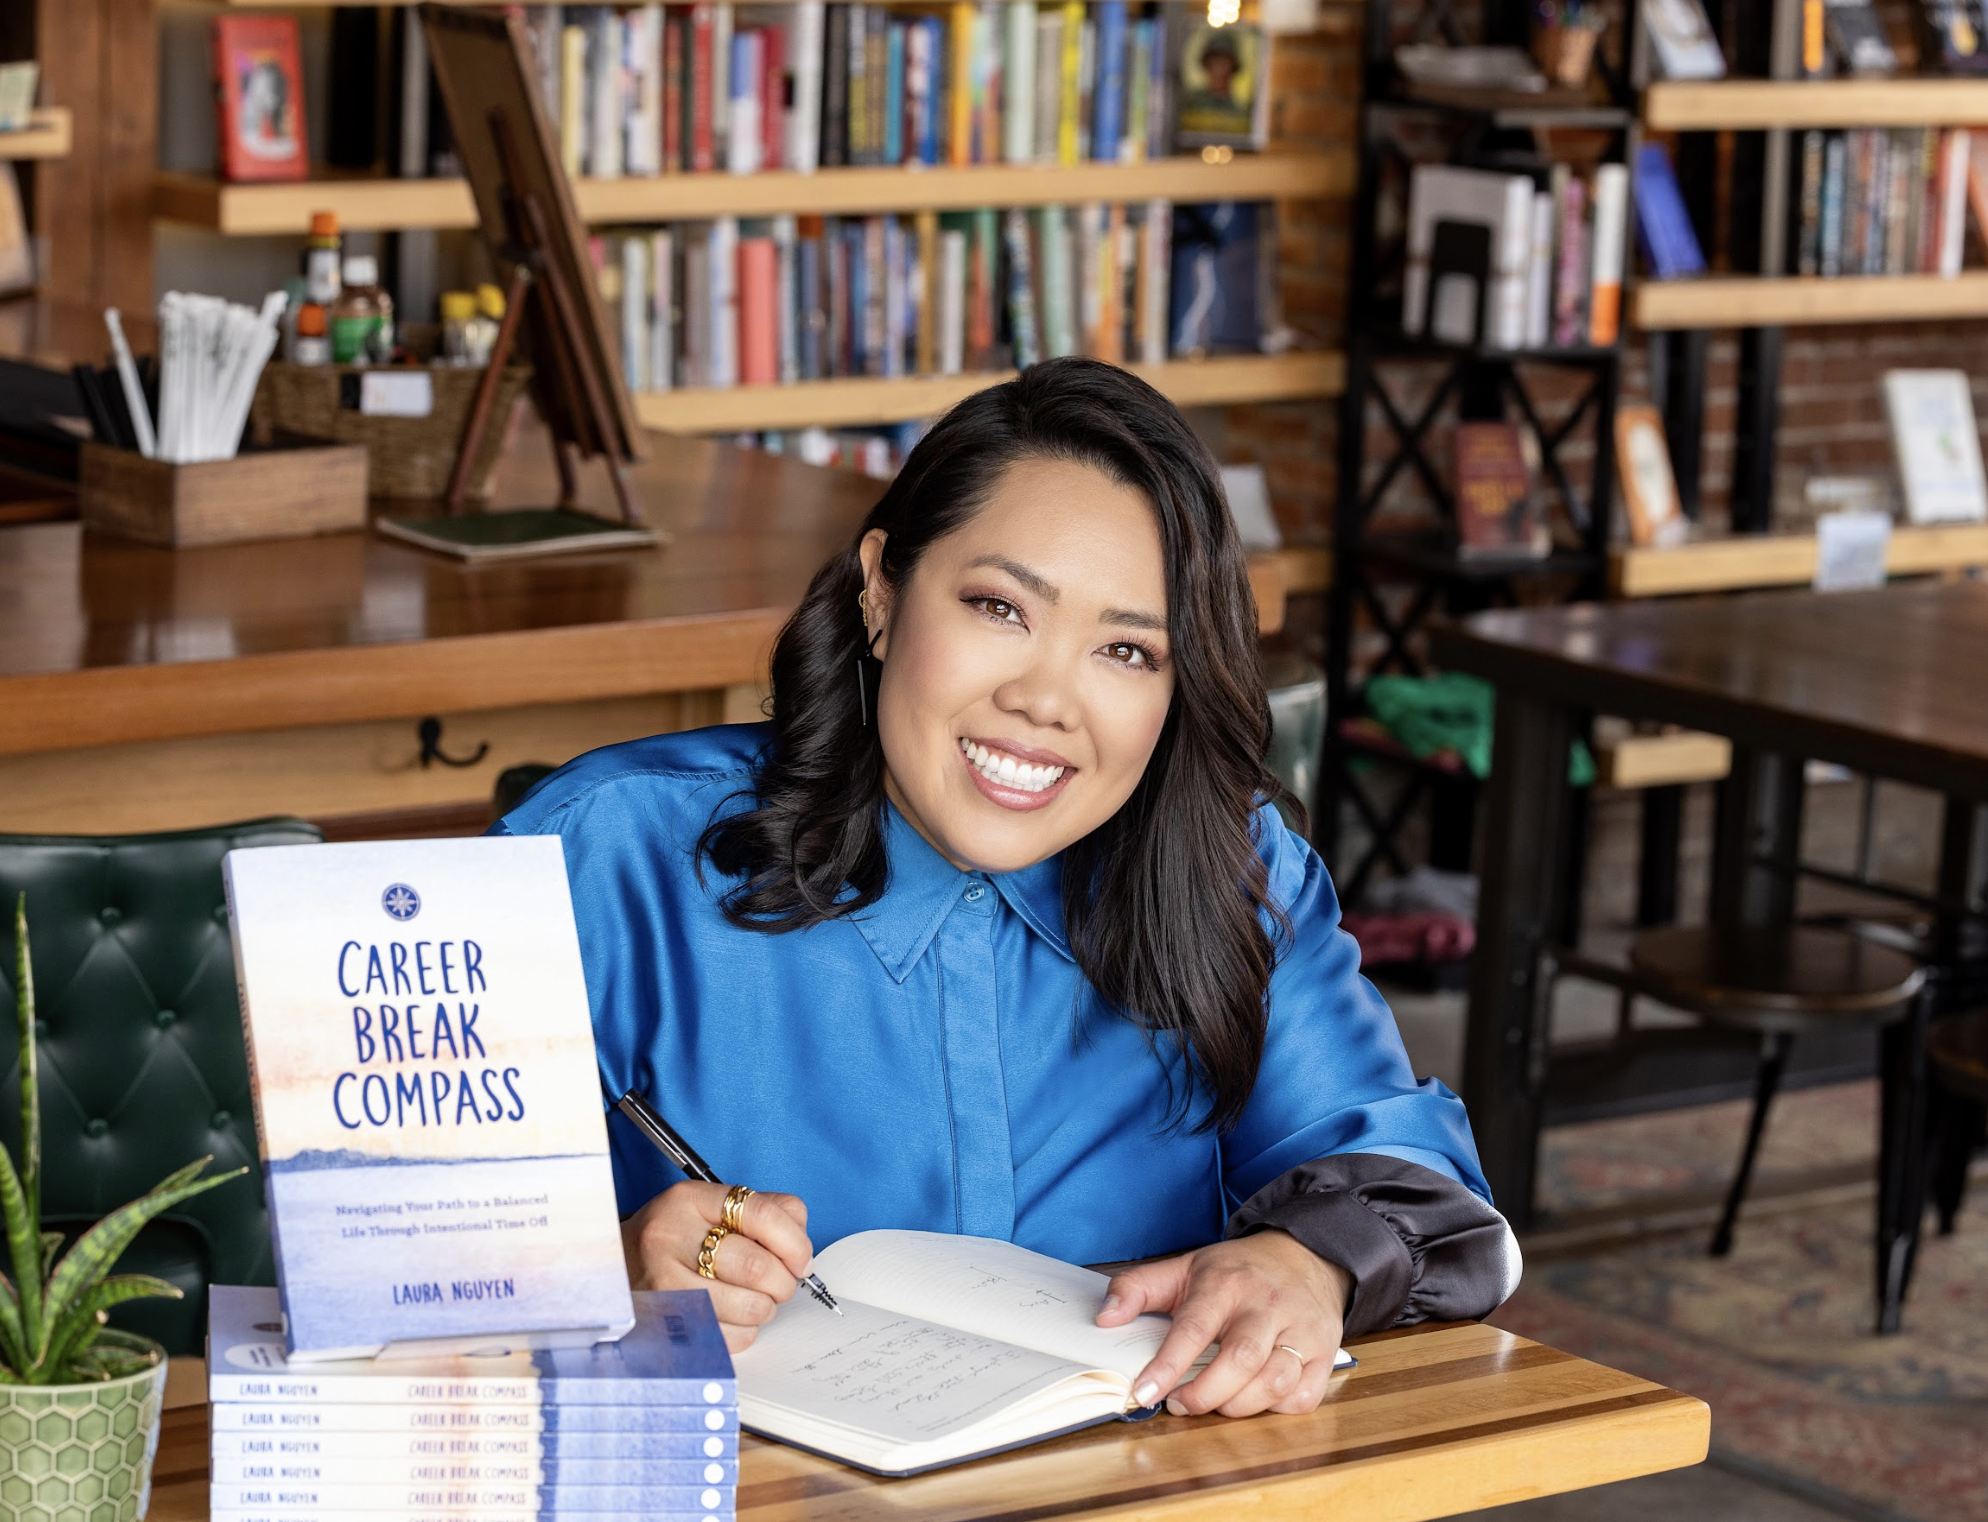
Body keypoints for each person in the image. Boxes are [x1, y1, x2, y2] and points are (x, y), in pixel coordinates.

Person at [493, 358, 1518, 1420]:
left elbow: (1413, 1186)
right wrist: (600, 1269)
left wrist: (1308, 1266)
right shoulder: (601, 857)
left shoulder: (1232, 871)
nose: (1042, 699)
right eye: (999, 607)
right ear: (881, 590)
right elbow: (368, 1250)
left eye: (1124, 649)